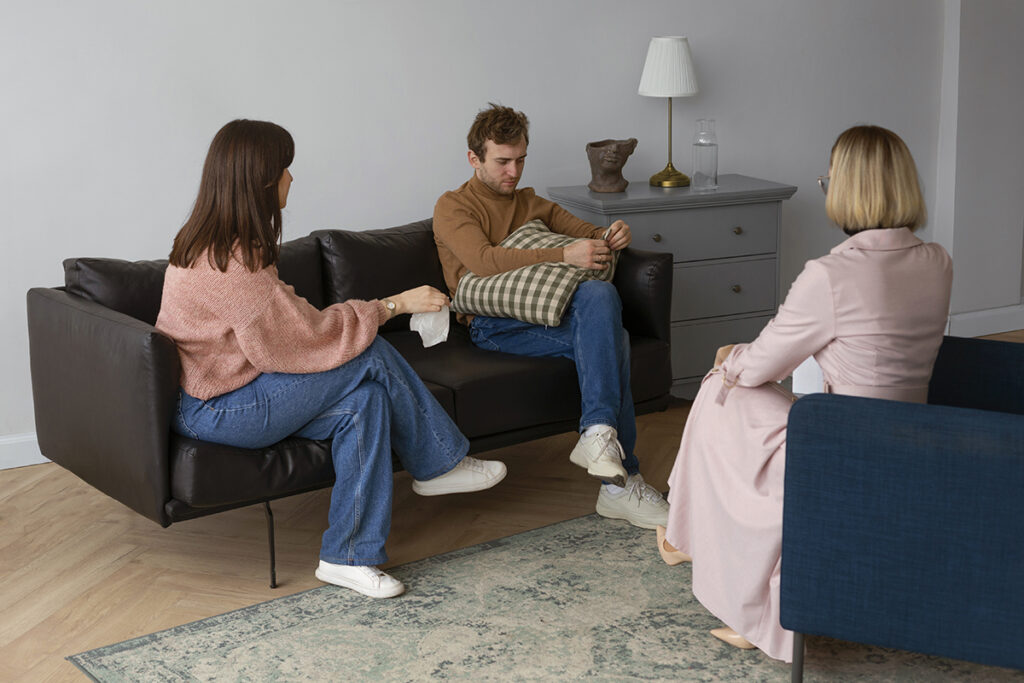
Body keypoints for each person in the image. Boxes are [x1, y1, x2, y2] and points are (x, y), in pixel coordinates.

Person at [156, 119, 506, 600]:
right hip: (217, 408)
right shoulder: (232, 264)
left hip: (228, 393)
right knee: (371, 353)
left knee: (366, 402)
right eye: (285, 168)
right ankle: (438, 463)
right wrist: (393, 306)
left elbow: (292, 323)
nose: (291, 177)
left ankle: (347, 556)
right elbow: (301, 339)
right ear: (262, 180)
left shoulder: (225, 244)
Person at [658, 125, 953, 660]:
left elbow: (760, 367)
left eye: (829, 179)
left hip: (842, 452)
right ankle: (683, 534)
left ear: (849, 189)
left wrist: (729, 357)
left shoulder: (832, 275)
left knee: (720, 386)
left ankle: (695, 543)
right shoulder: (937, 261)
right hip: (913, 444)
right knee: (737, 384)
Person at [432, 104, 668, 529]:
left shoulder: (532, 202)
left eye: (520, 159)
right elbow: (483, 261)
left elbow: (588, 233)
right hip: (494, 327)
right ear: (474, 158)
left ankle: (598, 436)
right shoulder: (453, 206)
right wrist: (563, 255)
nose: (513, 171)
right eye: (502, 161)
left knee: (599, 293)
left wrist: (612, 234)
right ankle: (621, 485)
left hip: (548, 314)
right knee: (614, 341)